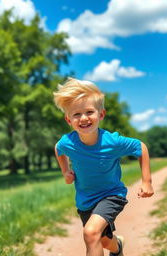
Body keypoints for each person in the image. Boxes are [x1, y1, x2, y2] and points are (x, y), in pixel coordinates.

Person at [53, 78, 154, 256]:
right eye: (76, 114)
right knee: (103, 240)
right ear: (69, 120)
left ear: (101, 114)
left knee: (90, 233)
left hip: (112, 195)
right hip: (85, 201)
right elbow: (58, 149)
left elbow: (141, 148)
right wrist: (65, 171)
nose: (83, 118)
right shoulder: (67, 142)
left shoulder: (112, 142)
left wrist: (147, 181)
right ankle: (118, 248)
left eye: (89, 112)